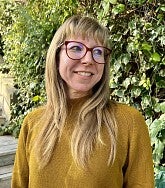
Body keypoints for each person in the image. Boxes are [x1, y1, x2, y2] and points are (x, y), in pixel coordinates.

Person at [11, 15, 154, 188]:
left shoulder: (129, 122)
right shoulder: (32, 123)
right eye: (76, 48)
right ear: (56, 57)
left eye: (98, 52)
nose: (88, 60)